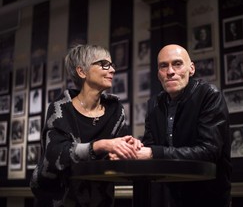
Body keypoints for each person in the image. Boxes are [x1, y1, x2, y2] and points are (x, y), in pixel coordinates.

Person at [30, 44, 142, 207]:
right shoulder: (61, 108)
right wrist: (100, 146)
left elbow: (115, 152)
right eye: (104, 64)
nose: (112, 70)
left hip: (100, 201)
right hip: (59, 200)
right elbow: (55, 155)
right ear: (81, 71)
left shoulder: (115, 109)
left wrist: (129, 145)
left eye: (112, 65)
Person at [135, 44, 232, 207]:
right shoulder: (154, 104)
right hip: (168, 197)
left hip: (207, 198)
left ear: (191, 69)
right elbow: (150, 146)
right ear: (158, 74)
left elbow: (209, 151)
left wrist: (153, 153)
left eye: (177, 64)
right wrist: (133, 149)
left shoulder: (209, 96)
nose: (170, 71)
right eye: (163, 66)